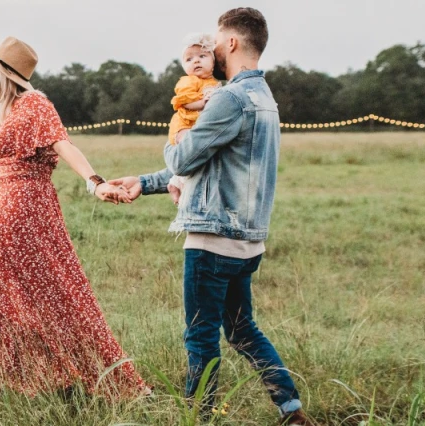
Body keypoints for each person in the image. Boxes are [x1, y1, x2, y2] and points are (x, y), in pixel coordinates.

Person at [109, 8, 312, 425]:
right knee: (242, 331)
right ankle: (291, 411)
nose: (212, 49)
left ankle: (198, 418)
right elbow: (209, 164)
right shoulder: (264, 99)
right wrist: (144, 183)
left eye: (216, 42)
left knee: (200, 337)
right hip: (248, 241)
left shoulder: (229, 98)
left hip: (212, 241)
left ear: (232, 43)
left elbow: (184, 155)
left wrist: (176, 135)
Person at [0, 36, 148, 396]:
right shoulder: (11, 112)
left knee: (51, 293)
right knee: (5, 295)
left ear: (3, 74)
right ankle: (9, 381)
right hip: (6, 209)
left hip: (24, 210)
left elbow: (63, 144)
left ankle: (62, 376)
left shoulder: (35, 104)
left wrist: (95, 182)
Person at [167, 33, 222, 205]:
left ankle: (176, 182)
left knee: (198, 156)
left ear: (213, 62)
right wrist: (202, 103)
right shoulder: (189, 81)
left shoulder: (215, 83)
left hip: (197, 124)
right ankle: (180, 186)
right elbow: (183, 101)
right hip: (184, 124)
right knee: (190, 149)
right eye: (189, 59)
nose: (196, 61)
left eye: (202, 56)